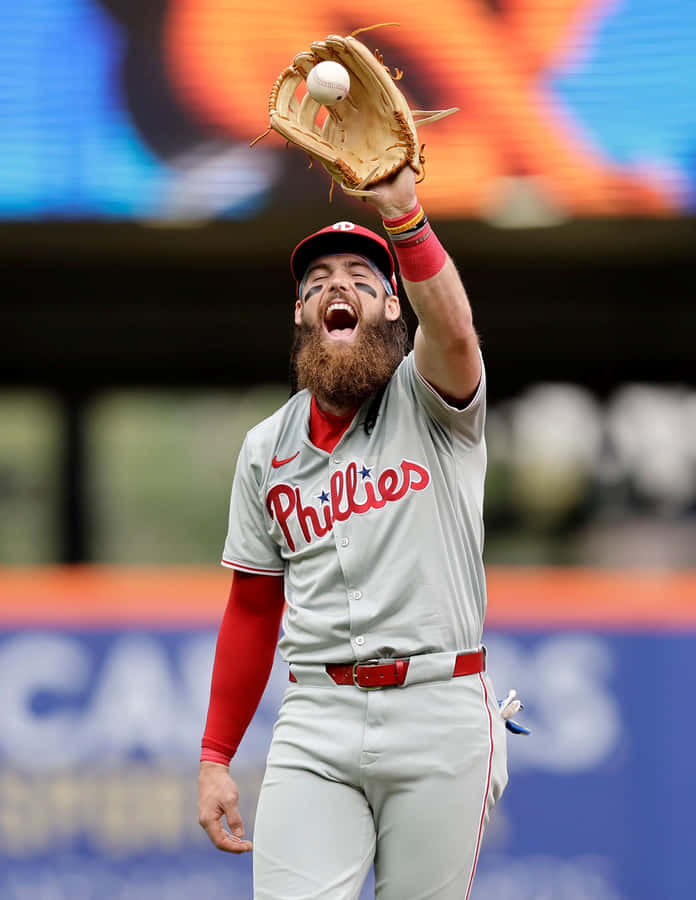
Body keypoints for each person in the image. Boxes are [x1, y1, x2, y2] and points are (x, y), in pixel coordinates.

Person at [197, 166, 509, 900]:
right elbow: (250, 606)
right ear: (303, 314)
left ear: (392, 307)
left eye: (362, 276)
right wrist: (216, 755)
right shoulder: (264, 448)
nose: (338, 286)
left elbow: (456, 330)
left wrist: (404, 215)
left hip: (440, 706)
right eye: (319, 281)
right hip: (317, 718)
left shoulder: (433, 400)